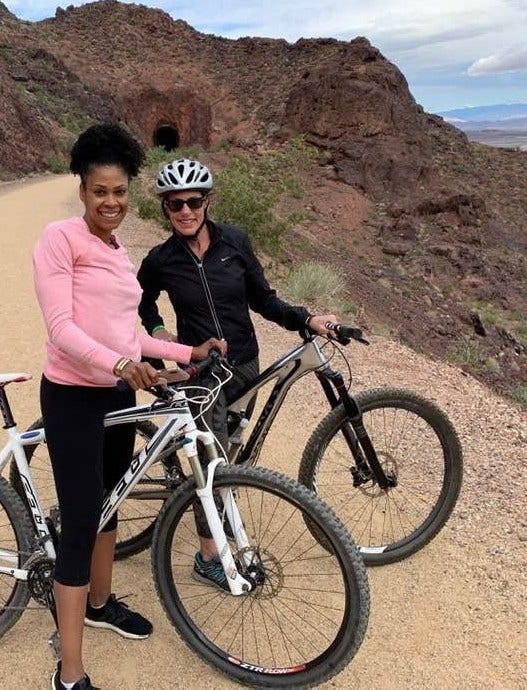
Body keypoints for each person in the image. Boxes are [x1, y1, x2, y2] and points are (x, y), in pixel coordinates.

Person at [33, 128, 226, 690]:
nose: (111, 202)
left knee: (110, 505)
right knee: (80, 522)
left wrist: (186, 350)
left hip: (117, 394)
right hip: (72, 395)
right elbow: (62, 330)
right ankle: (70, 674)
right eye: (100, 192)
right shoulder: (59, 239)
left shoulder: (119, 252)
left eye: (119, 191)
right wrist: (118, 366)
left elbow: (129, 335)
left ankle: (99, 602)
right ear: (83, 190)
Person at [137, 157, 338, 591]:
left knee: (229, 446)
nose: (185, 211)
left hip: (245, 362)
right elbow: (142, 302)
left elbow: (264, 300)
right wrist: (159, 333)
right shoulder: (161, 260)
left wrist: (307, 319)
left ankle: (211, 504)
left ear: (207, 202)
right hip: (201, 370)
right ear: (165, 210)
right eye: (175, 205)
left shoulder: (235, 242)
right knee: (211, 462)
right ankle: (209, 555)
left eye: (193, 201)